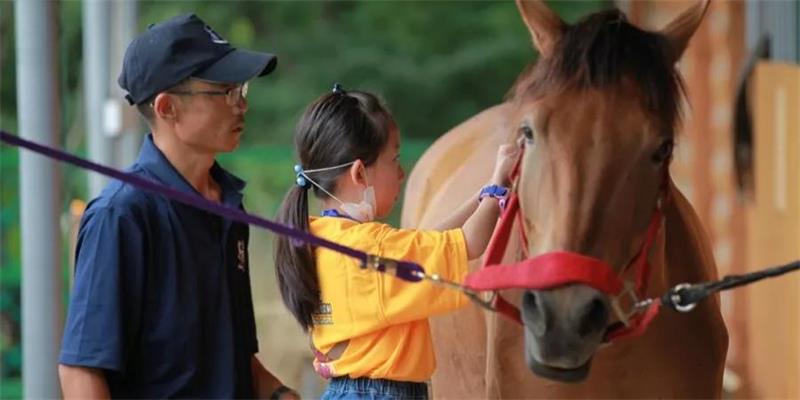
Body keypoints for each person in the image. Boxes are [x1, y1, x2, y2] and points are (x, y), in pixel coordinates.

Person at [58, 13, 298, 399]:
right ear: (168, 107)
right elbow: (81, 372)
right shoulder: (121, 216)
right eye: (225, 91)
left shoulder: (229, 209)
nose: (241, 106)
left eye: (242, 90)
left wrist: (282, 395)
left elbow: (234, 360)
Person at [274, 84, 518, 399]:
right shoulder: (370, 249)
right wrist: (500, 180)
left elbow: (426, 241)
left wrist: (481, 196)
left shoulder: (319, 238)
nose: (401, 173)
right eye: (394, 159)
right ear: (360, 173)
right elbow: (469, 244)